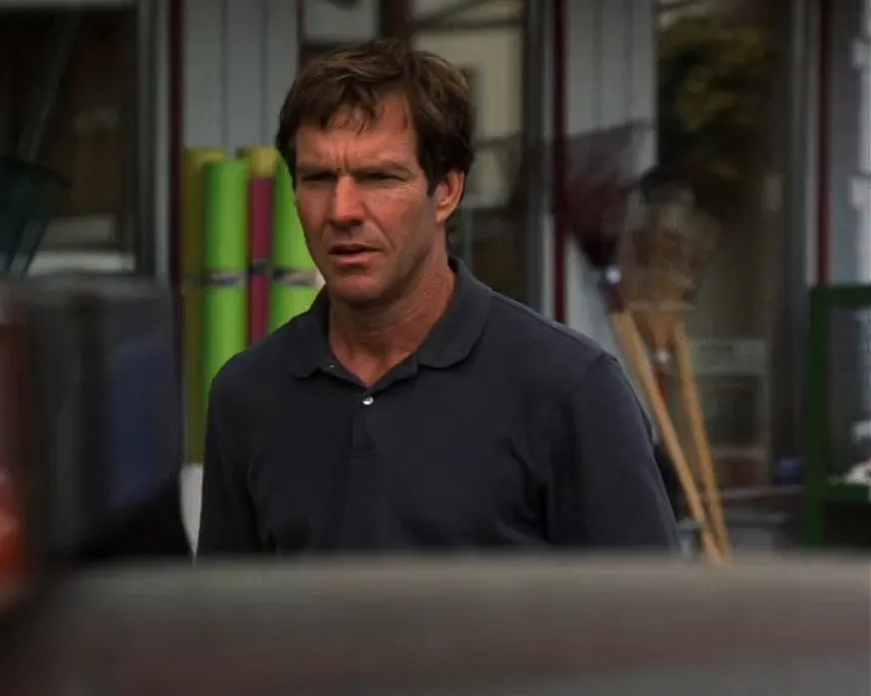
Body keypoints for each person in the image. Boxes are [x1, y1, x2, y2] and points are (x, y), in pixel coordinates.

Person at [197, 39, 679, 555]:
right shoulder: (247, 396)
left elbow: (647, 605)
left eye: (379, 177)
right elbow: (223, 607)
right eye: (317, 179)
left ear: (446, 190)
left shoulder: (570, 390)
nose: (342, 211)